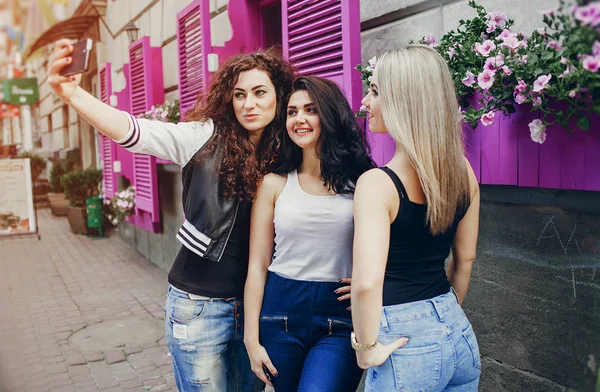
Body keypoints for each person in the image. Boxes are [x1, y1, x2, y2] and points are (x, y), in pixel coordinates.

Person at [47, 39, 295, 392]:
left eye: (259, 92)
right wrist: (73, 94)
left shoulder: (289, 153)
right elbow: (134, 132)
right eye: (240, 95)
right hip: (199, 306)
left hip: (258, 309)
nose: (249, 104)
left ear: (279, 96)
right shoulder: (203, 136)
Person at [350, 45, 481, 391]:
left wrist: (365, 350)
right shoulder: (464, 172)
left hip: (403, 344)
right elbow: (464, 259)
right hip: (457, 330)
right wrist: (440, 320)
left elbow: (365, 284)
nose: (364, 101)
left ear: (405, 100)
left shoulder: (377, 184)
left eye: (375, 91)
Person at [243, 76, 375, 391]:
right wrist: (251, 339)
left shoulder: (363, 183)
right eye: (291, 112)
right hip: (280, 313)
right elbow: (258, 265)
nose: (299, 119)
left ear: (329, 116)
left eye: (310, 110)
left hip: (339, 318)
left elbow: (388, 250)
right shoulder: (273, 183)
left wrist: (365, 281)